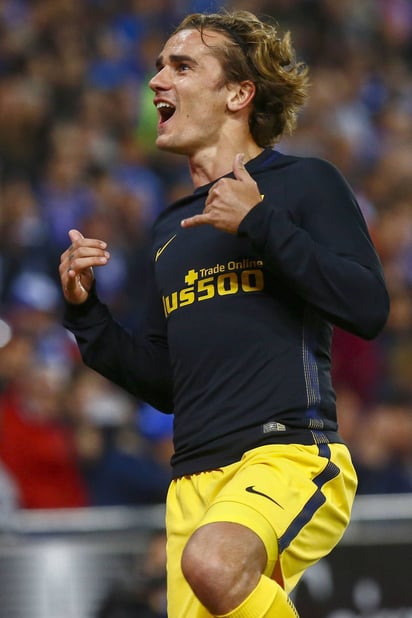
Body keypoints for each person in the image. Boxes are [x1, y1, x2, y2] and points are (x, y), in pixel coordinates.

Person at [59, 10, 390, 618]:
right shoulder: (167, 230)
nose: (157, 80)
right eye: (158, 66)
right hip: (192, 487)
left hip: (287, 454)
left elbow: (367, 306)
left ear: (240, 93)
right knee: (210, 567)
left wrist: (260, 222)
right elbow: (165, 383)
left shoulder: (304, 184)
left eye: (182, 66)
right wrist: (87, 316)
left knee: (214, 563)